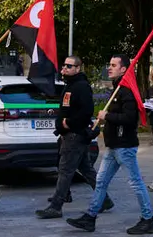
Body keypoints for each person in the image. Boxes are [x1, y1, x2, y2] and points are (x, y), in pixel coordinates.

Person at [65, 55, 153, 235]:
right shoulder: (118, 89)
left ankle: (148, 219)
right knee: (100, 182)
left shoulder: (126, 91)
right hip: (113, 146)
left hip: (124, 146)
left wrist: (107, 116)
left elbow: (131, 119)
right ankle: (90, 217)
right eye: (110, 64)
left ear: (124, 69)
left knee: (136, 183)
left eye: (113, 65)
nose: (109, 68)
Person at [37, 56, 107, 219]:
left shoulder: (81, 86)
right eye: (64, 66)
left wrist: (68, 123)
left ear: (77, 68)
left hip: (75, 135)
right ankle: (104, 200)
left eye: (69, 66)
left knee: (65, 170)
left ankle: (56, 206)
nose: (65, 69)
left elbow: (86, 111)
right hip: (70, 135)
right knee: (86, 169)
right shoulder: (71, 85)